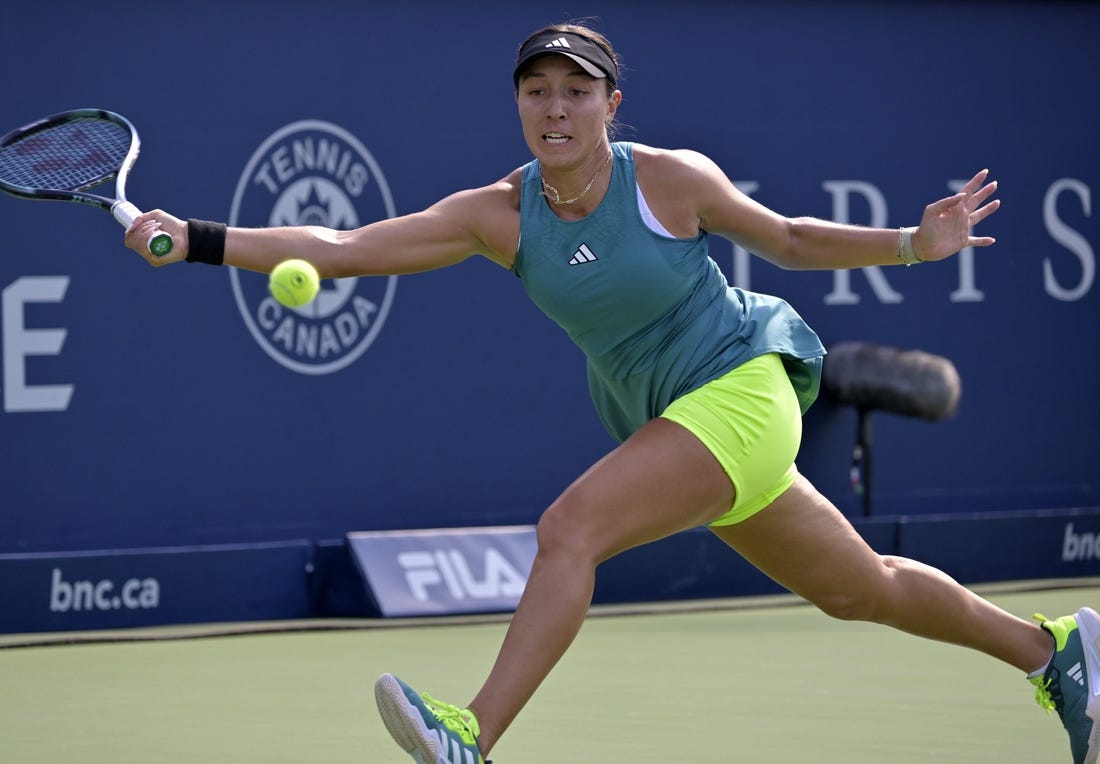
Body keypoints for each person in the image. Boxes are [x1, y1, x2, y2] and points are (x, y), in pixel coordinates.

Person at [125, 20, 1097, 764]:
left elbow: (790, 239)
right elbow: (339, 250)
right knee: (860, 589)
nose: (553, 109)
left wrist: (906, 244)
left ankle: (471, 733)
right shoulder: (497, 215)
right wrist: (199, 239)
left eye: (574, 93)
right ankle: (1052, 648)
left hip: (743, 389)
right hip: (682, 420)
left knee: (568, 527)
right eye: (535, 91)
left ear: (609, 104)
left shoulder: (669, 181)